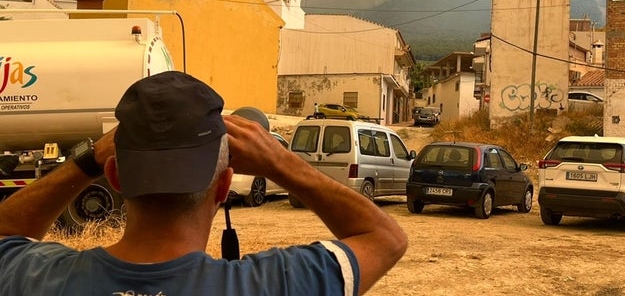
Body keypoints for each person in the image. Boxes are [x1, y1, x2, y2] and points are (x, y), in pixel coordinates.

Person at [0, 71, 407, 295]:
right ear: (223, 186)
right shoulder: (275, 283)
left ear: (115, 176)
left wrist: (84, 160)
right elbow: (385, 238)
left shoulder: (38, 278)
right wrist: (280, 161)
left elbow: (6, 232)